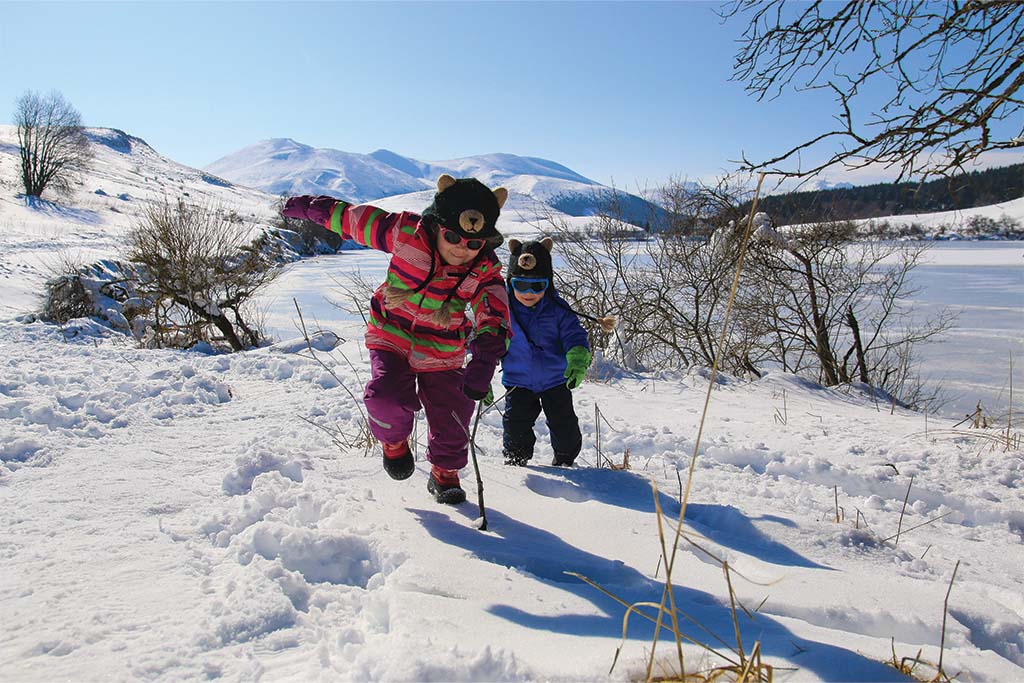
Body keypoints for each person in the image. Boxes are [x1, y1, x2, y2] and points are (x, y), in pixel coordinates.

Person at [281, 175, 511, 504]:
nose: (462, 249)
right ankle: (394, 445)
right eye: (453, 237)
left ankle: (444, 474)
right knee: (386, 397)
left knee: (453, 414)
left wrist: (487, 351)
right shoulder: (406, 234)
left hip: (443, 348)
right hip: (391, 331)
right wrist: (309, 208)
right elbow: (353, 220)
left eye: (474, 244)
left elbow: (494, 305)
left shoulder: (483, 267)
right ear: (437, 225)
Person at [500, 237, 593, 467]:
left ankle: (564, 460)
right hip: (518, 381)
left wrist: (578, 355)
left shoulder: (558, 309)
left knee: (565, 426)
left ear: (548, 284)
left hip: (555, 380)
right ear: (511, 283)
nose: (528, 292)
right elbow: (489, 341)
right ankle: (516, 464)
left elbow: (574, 333)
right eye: (520, 285)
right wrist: (479, 371)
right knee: (515, 427)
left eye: (537, 285)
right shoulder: (503, 311)